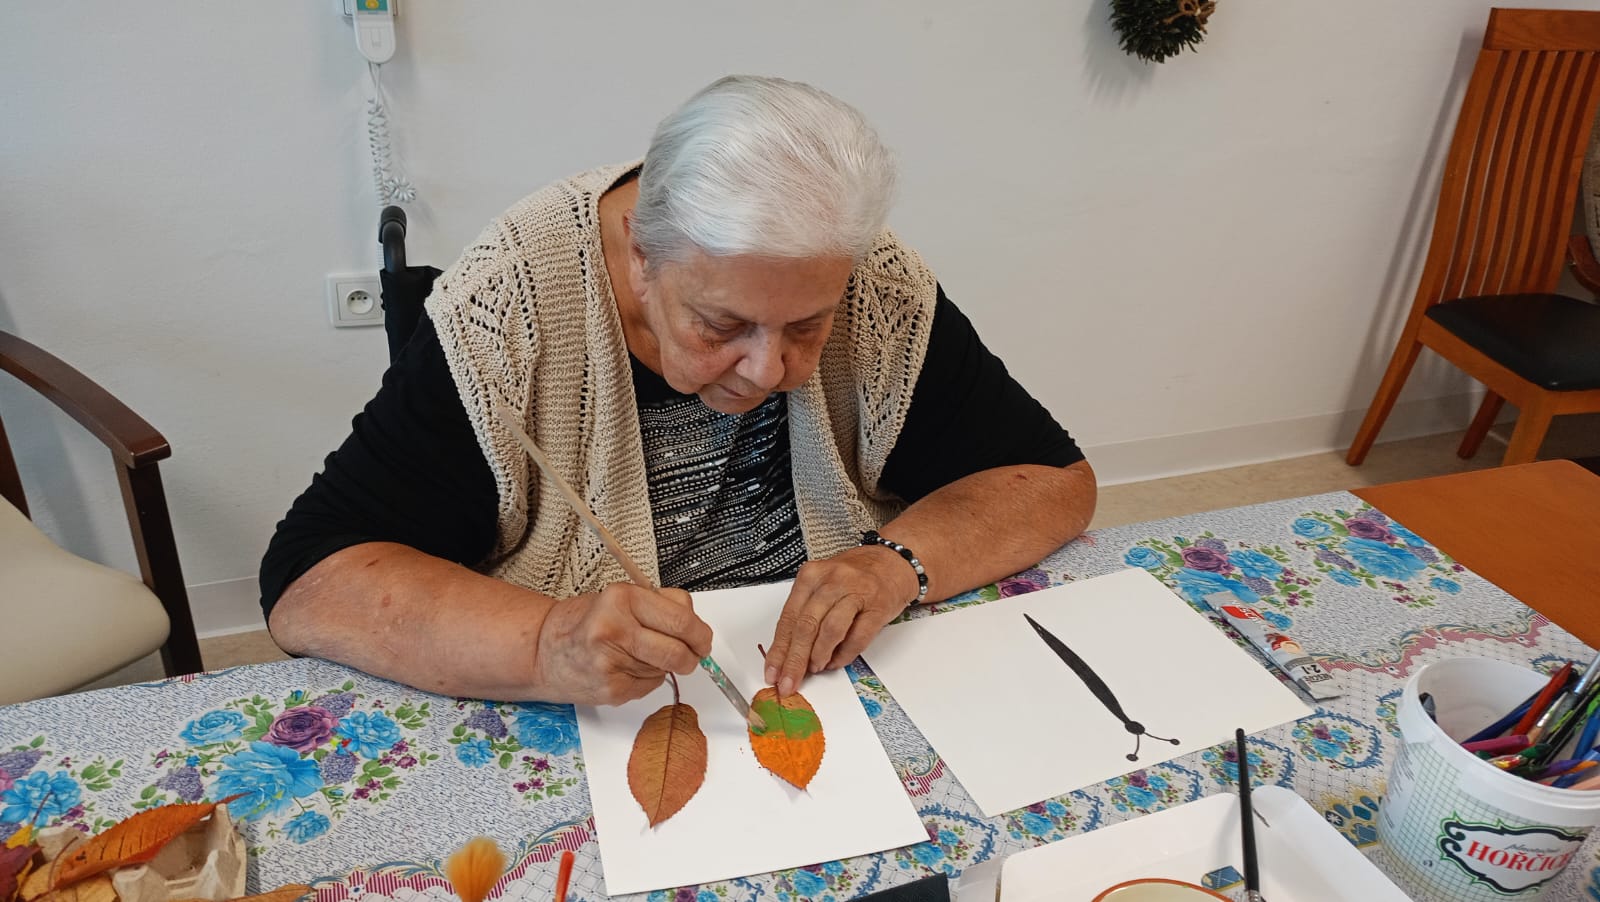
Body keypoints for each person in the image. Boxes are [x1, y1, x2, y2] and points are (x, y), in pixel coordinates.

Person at [261, 75, 1096, 705]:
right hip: (604, 714)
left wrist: (894, 566)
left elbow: (1054, 482)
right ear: (639, 257)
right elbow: (310, 583)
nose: (769, 371)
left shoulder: (872, 278)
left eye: (807, 325)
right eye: (722, 324)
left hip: (831, 685)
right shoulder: (512, 306)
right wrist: (546, 643)